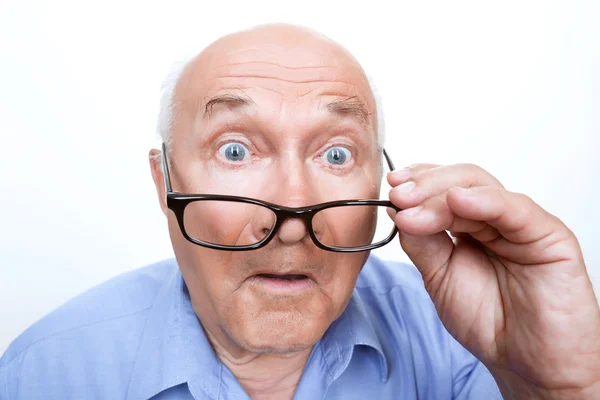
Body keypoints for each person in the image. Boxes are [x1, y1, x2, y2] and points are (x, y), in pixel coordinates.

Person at [1, 23, 599, 400]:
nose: (292, 206)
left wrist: (564, 387)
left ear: (388, 187)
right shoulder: (45, 373)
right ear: (165, 183)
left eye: (336, 154)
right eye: (235, 150)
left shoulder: (462, 348)